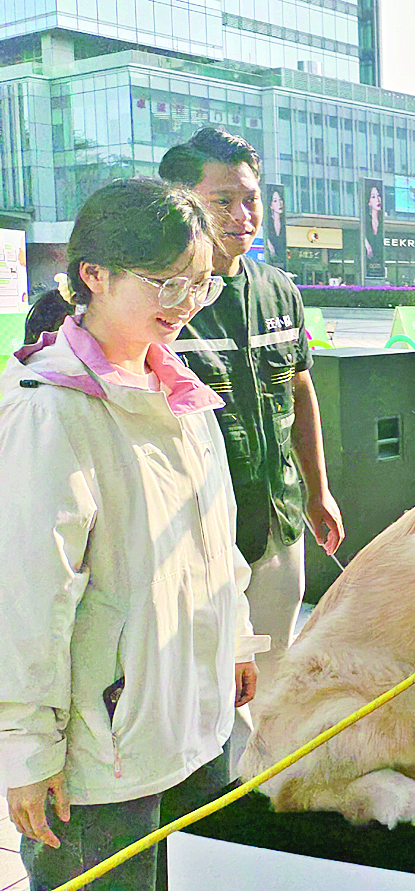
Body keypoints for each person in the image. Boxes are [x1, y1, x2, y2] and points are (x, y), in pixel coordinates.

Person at [0, 178, 268, 891]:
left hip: (196, 727)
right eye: (167, 285)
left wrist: (237, 638)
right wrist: (26, 753)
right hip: (102, 760)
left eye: (202, 286)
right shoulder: (50, 410)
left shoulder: (180, 390)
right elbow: (26, 599)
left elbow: (215, 543)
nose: (185, 306)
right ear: (94, 275)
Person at [158, 127, 344, 672]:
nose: (243, 215)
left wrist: (318, 491)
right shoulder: (162, 299)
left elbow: (299, 387)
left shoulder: (279, 289)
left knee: (276, 667)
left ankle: (269, 760)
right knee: (203, 677)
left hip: (279, 522)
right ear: (183, 205)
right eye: (222, 201)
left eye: (251, 198)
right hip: (193, 536)